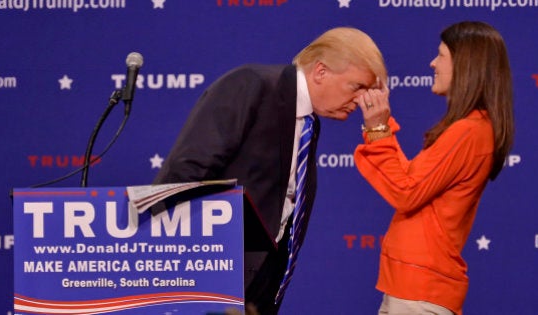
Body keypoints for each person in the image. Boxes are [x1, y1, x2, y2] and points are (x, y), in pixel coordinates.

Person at [152, 27, 387, 315]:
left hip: (262, 284)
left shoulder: (310, 123)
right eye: (357, 87)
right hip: (213, 276)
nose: (362, 100)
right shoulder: (252, 85)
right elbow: (184, 172)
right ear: (321, 72)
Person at [353, 21, 514, 315]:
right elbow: (410, 183)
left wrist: (377, 128)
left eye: (440, 55)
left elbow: (405, 193)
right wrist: (381, 126)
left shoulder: (469, 132)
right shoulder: (471, 129)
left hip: (420, 291)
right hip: (411, 288)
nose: (432, 63)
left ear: (465, 64)